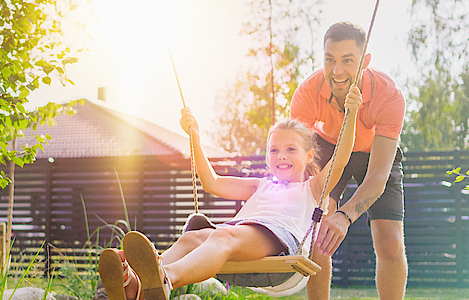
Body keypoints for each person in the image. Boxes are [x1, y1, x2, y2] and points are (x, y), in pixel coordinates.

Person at [97, 87, 362, 300]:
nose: (281, 155)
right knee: (194, 238)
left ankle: (165, 278)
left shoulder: (313, 187)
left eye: (291, 149)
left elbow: (340, 158)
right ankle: (135, 285)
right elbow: (212, 182)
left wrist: (350, 115)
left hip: (279, 244)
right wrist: (195, 138)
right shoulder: (260, 186)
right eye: (274, 150)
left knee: (223, 233)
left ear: (309, 156)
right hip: (240, 237)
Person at [290, 21, 407, 300]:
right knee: (319, 233)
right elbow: (297, 156)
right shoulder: (307, 93)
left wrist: (345, 216)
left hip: (374, 153)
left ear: (365, 62)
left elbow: (379, 176)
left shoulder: (389, 95)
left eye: (347, 61)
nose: (337, 70)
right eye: (330, 60)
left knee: (390, 241)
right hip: (328, 147)